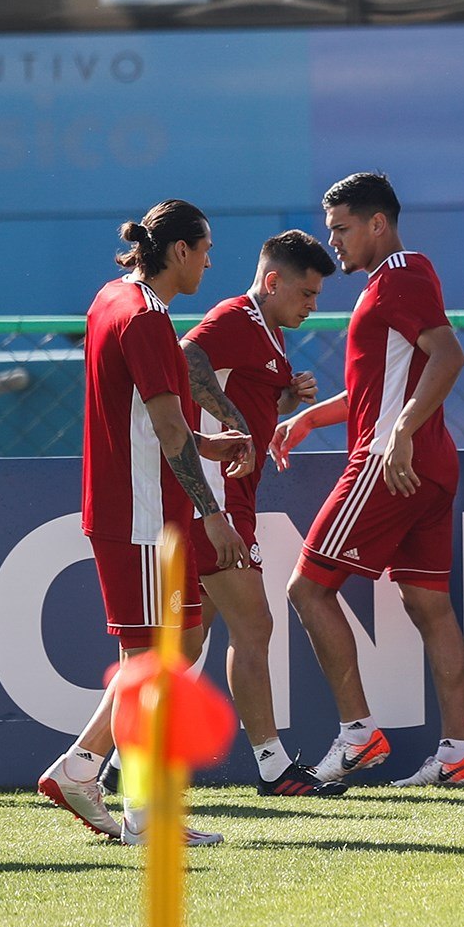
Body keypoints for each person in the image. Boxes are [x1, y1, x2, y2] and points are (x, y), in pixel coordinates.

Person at [38, 200, 253, 846]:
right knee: (154, 660)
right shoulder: (146, 319)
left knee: (167, 653)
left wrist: (207, 446)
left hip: (140, 508)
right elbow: (159, 424)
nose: (211, 261)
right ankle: (103, 783)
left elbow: (149, 416)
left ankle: (106, 785)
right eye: (206, 248)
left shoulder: (113, 298)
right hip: (141, 515)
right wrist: (213, 513)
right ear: (180, 250)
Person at [278, 173, 464, 788]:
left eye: (340, 228)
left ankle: (357, 734)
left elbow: (449, 356)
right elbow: (382, 386)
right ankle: (456, 755)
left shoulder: (397, 278)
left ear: (377, 224)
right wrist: (312, 415)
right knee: (428, 603)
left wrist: (398, 435)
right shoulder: (407, 276)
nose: (332, 241)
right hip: (428, 464)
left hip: (388, 465)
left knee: (307, 590)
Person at [181, 230, 342, 796]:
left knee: (187, 640)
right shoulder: (235, 318)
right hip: (216, 497)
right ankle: (272, 767)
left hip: (232, 497)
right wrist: (235, 423)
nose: (312, 305)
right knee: (254, 624)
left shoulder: (267, 333)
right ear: (272, 282)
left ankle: (120, 760)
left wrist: (281, 401)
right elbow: (185, 361)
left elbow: (241, 395)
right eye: (305, 293)